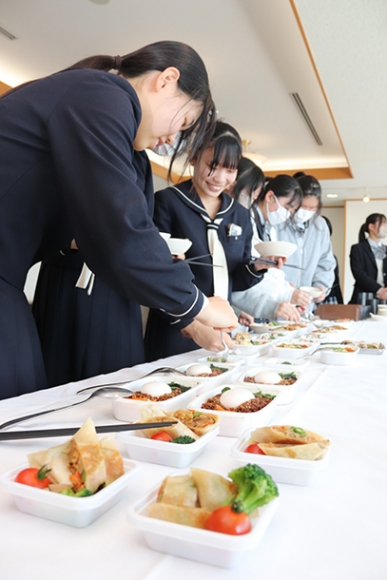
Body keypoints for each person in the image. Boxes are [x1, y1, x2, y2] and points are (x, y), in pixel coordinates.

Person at [0, 41, 238, 399]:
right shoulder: (102, 93)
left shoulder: (119, 130)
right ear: (167, 80)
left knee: (22, 401)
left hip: (9, 275)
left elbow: (101, 235)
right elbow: (123, 236)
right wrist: (200, 304)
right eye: (184, 122)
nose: (172, 139)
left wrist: (188, 318)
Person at [144, 121, 266, 361]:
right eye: (212, 166)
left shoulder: (239, 214)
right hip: (175, 329)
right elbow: (156, 277)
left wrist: (257, 267)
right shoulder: (167, 203)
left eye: (230, 170)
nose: (220, 178)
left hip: (222, 332)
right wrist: (192, 325)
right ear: (193, 157)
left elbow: (235, 279)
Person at [231, 169, 311, 320]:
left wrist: (287, 291)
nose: (287, 214)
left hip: (251, 306)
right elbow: (248, 272)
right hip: (241, 302)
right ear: (269, 196)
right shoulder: (245, 220)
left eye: (291, 211)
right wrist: (286, 294)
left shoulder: (269, 228)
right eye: (287, 207)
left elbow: (269, 271)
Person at [274, 173, 336, 304]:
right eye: (303, 207)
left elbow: (326, 263)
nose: (306, 211)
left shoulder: (320, 226)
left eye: (312, 208)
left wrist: (321, 287)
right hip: (278, 300)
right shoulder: (278, 220)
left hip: (306, 306)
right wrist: (284, 287)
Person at [349, 213, 387, 304]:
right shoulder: (357, 249)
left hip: (385, 299)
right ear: (371, 227)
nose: (386, 227)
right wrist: (379, 290)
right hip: (363, 298)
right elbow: (359, 273)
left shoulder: (386, 249)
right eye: (383, 223)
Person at [321, 215, 343, 304]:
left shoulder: (332, 257)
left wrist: (341, 303)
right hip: (307, 300)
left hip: (330, 299)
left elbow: (336, 283)